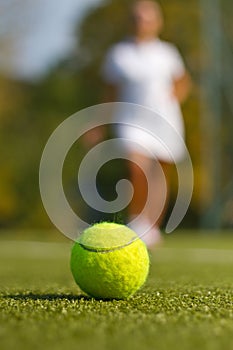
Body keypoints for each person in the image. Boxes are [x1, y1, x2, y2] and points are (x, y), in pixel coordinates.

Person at [101, 0, 191, 248]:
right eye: (138, 17)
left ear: (157, 22)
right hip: (131, 121)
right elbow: (110, 92)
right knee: (136, 166)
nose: (143, 22)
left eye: (148, 17)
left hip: (164, 121)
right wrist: (99, 122)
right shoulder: (119, 54)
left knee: (160, 175)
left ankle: (151, 227)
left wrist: (172, 100)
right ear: (130, 21)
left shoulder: (168, 53)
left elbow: (182, 82)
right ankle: (137, 221)